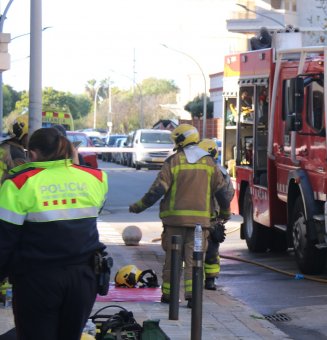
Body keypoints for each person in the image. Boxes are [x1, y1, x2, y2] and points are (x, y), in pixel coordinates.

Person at [0, 127, 108, 339]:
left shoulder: (19, 183)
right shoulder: (96, 178)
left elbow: (5, 239)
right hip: (84, 278)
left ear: (31, 154)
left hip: (37, 281)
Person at [128, 124, 232, 307]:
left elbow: (157, 190)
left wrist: (138, 207)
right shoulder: (209, 163)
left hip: (174, 222)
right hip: (200, 224)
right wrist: (224, 213)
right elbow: (222, 192)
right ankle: (192, 298)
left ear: (180, 140)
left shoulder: (173, 162)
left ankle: (169, 295)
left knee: (172, 259)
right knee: (194, 260)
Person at [198, 138, 234, 290]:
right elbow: (228, 194)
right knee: (212, 251)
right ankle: (210, 281)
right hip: (213, 219)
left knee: (194, 250)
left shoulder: (193, 170)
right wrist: (224, 213)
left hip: (195, 218)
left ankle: (194, 278)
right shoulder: (221, 172)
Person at [0, 115, 29, 183]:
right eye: (29, 134)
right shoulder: (16, 153)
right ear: (21, 135)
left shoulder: (4, 145)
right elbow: (23, 180)